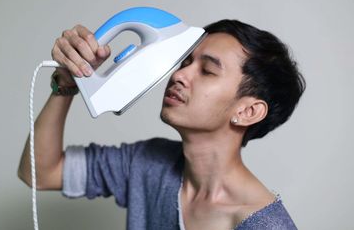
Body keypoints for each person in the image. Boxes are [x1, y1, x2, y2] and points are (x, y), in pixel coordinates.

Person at [18, 19, 305, 230]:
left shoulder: (267, 225)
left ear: (249, 111)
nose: (180, 75)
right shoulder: (147, 164)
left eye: (206, 71)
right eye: (185, 62)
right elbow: (40, 173)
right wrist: (67, 84)